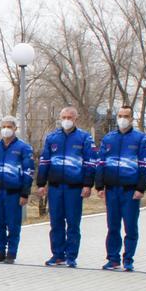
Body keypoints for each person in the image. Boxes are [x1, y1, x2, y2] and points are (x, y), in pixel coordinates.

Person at [94, 105, 146, 271]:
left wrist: (140, 188)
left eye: (126, 116)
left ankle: (128, 259)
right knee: (112, 226)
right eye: (120, 115)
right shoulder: (108, 138)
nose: (122, 119)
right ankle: (112, 258)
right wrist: (99, 185)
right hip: (112, 189)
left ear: (132, 118)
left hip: (130, 190)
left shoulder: (141, 139)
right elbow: (100, 163)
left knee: (130, 227)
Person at [36, 106, 95, 267]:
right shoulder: (52, 138)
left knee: (73, 223)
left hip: (74, 188)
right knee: (56, 222)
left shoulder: (85, 138)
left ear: (75, 119)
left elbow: (90, 163)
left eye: (70, 117)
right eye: (64, 117)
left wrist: (88, 184)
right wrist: (41, 183)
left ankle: (71, 256)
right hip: (55, 187)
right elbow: (45, 161)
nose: (66, 120)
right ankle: (57, 254)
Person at [0, 115, 34, 264]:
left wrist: (25, 193)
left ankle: (11, 253)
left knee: (13, 224)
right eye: (3, 127)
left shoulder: (23, 148)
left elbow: (28, 172)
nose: (6, 130)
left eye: (9, 127)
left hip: (14, 193)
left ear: (15, 129)